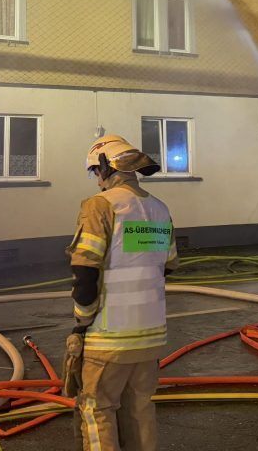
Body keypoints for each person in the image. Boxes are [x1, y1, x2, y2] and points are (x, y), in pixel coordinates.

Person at [67, 134, 179, 451]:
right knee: (140, 409)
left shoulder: (100, 205)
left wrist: (82, 321)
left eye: (95, 171)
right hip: (151, 336)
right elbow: (169, 265)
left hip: (108, 338)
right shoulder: (159, 208)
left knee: (97, 409)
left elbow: (85, 273)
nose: (96, 180)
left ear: (106, 167)